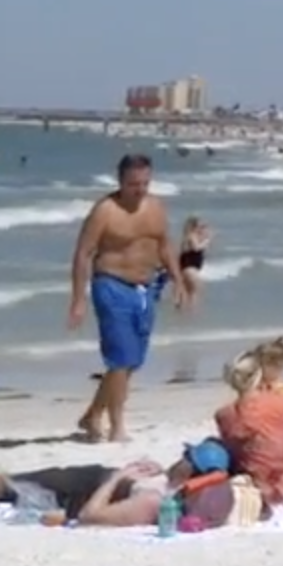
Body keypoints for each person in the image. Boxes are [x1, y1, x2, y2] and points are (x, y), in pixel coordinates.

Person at [0, 425, 239, 530]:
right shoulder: (174, 485)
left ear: (192, 469)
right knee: (7, 483)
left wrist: (117, 477)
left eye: (185, 457)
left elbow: (94, 515)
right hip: (85, 479)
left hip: (75, 494)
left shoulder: (153, 503)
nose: (178, 458)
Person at [66, 156, 178, 443]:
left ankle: (92, 415)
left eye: (144, 183)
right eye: (132, 184)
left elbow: (164, 246)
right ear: (120, 181)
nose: (139, 190)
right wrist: (78, 299)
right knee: (120, 360)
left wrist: (179, 281)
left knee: (130, 363)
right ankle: (117, 426)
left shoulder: (155, 207)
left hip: (146, 289)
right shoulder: (105, 211)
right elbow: (82, 254)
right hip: (111, 285)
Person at [215, 336, 283, 512]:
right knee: (278, 440)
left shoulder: (223, 414)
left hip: (252, 482)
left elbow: (233, 450)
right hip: (279, 478)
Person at [172, 218, 212, 313]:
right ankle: (192, 314)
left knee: (187, 293)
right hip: (191, 269)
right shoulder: (191, 236)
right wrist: (207, 241)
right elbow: (196, 248)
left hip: (186, 269)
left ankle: (183, 314)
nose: (201, 229)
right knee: (195, 293)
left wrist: (205, 237)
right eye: (199, 226)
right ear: (194, 227)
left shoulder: (187, 237)